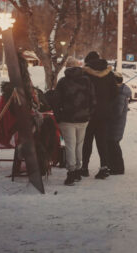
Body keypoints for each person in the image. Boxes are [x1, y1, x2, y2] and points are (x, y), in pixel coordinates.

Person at [53, 57, 93, 186]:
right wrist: (88, 113)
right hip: (83, 118)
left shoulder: (63, 82)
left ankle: (71, 173)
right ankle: (77, 170)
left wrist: (58, 116)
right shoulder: (87, 81)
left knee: (70, 145)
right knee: (79, 145)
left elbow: (56, 101)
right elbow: (93, 99)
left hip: (67, 119)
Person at [80, 51, 118, 180]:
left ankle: (84, 167)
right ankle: (104, 167)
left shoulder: (85, 74)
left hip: (88, 112)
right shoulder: (109, 74)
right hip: (104, 112)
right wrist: (106, 103)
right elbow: (115, 93)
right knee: (102, 141)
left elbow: (81, 93)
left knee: (87, 141)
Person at [110, 71, 131, 175]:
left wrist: (108, 116)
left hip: (116, 123)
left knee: (114, 144)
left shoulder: (120, 93)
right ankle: (115, 166)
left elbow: (117, 111)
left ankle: (118, 168)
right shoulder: (121, 91)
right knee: (114, 144)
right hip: (118, 123)